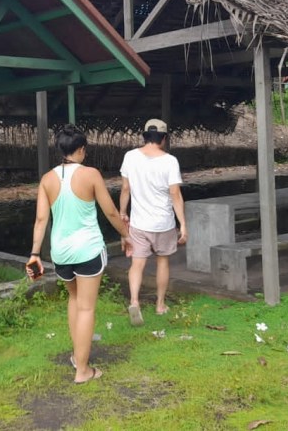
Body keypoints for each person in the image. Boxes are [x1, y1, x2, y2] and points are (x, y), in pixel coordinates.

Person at [26, 125, 130, 384]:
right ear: (81, 149)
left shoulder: (47, 179)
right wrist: (126, 234)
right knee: (86, 308)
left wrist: (35, 253)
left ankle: (76, 356)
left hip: (60, 253)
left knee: (74, 300)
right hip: (88, 250)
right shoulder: (91, 174)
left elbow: (40, 219)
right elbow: (111, 212)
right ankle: (82, 370)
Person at [119, 119, 187, 326]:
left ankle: (134, 301)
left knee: (137, 264)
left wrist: (123, 213)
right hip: (163, 223)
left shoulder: (130, 157)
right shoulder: (170, 161)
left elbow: (125, 189)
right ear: (164, 139)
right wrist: (183, 223)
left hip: (139, 223)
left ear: (144, 136)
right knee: (162, 261)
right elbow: (175, 193)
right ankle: (160, 305)